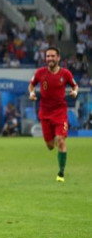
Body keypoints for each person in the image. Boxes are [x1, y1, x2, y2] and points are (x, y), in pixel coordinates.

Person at [29, 47, 78, 182]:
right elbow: (31, 85)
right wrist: (31, 93)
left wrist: (75, 92)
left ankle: (61, 173)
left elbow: (75, 85)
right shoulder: (40, 73)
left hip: (60, 112)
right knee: (50, 146)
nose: (50, 59)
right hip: (44, 113)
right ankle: (57, 144)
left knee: (61, 141)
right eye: (48, 56)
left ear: (58, 58)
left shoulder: (66, 74)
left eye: (52, 56)